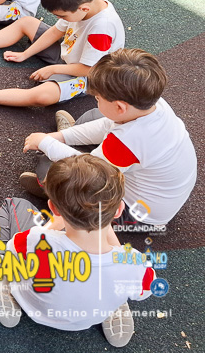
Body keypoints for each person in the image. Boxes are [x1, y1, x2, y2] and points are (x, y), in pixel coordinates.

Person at [0, 155, 156, 347]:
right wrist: (106, 226)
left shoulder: (36, 240)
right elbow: (147, 290)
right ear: (119, 210)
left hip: (33, 305)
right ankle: (116, 302)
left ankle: (1, 280)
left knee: (13, 205)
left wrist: (54, 224)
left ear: (53, 208)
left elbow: (14, 248)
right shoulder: (135, 265)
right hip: (85, 320)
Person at [20, 48, 197, 226]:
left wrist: (46, 143)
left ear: (120, 107)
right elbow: (107, 124)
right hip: (161, 193)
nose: (96, 100)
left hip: (136, 212)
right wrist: (61, 136)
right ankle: (68, 152)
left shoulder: (126, 142)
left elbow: (90, 172)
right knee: (94, 116)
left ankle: (51, 189)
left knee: (51, 167)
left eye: (98, 98)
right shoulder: (154, 104)